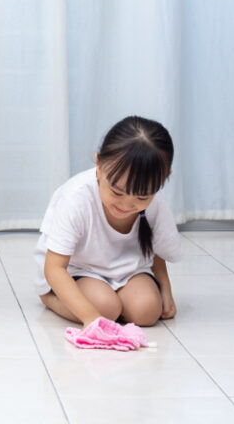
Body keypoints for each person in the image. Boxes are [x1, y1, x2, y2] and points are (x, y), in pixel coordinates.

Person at [34, 115, 181, 327]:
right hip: (77, 270)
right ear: (99, 164)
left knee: (147, 312)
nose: (127, 205)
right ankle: (51, 299)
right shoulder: (76, 198)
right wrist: (89, 318)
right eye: (116, 191)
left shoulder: (155, 201)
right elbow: (54, 268)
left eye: (141, 197)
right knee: (105, 310)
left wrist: (166, 291)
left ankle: (118, 303)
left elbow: (156, 248)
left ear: (164, 178)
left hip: (127, 270)